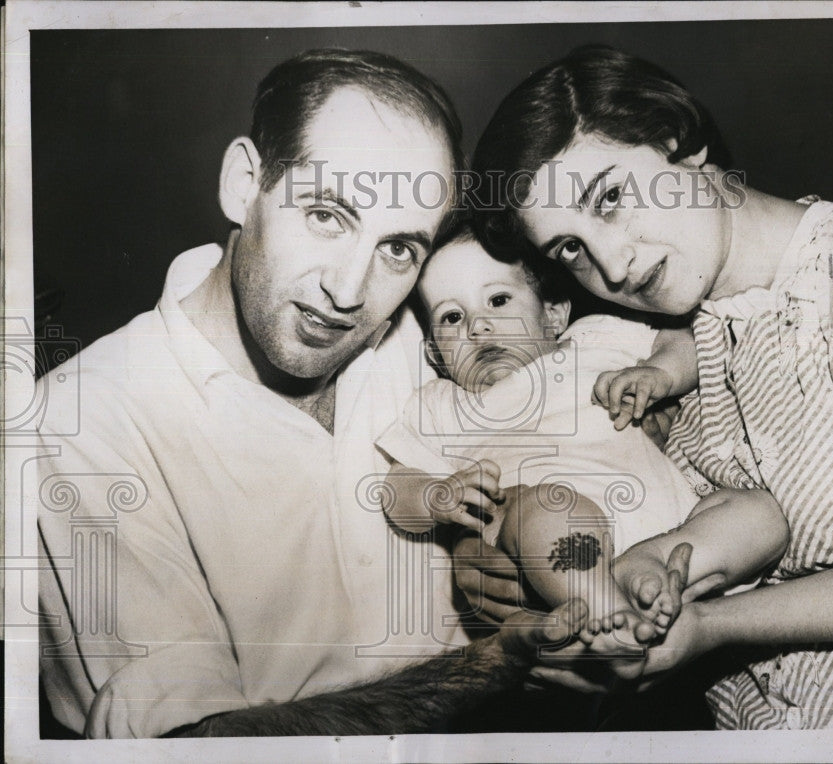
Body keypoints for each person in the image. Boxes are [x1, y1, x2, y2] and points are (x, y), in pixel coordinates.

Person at [465, 44, 833, 728]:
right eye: (569, 249)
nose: (613, 265)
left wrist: (715, 627)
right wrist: (527, 583)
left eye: (612, 200)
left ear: (677, 139)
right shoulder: (662, 350)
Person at [36, 47, 519, 739]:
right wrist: (495, 664)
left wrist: (487, 557)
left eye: (398, 249)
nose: (350, 292)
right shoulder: (78, 424)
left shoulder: (422, 337)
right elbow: (200, 746)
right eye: (327, 214)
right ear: (243, 184)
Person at [376, 224, 789, 675]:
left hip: (669, 537)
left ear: (553, 316)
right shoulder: (443, 404)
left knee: (762, 512)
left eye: (498, 300)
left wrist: (660, 373)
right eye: (451, 317)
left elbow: (688, 341)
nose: (478, 326)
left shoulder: (594, 341)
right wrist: (438, 497)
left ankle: (642, 573)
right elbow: (397, 487)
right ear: (435, 354)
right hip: (552, 551)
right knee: (550, 510)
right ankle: (612, 620)